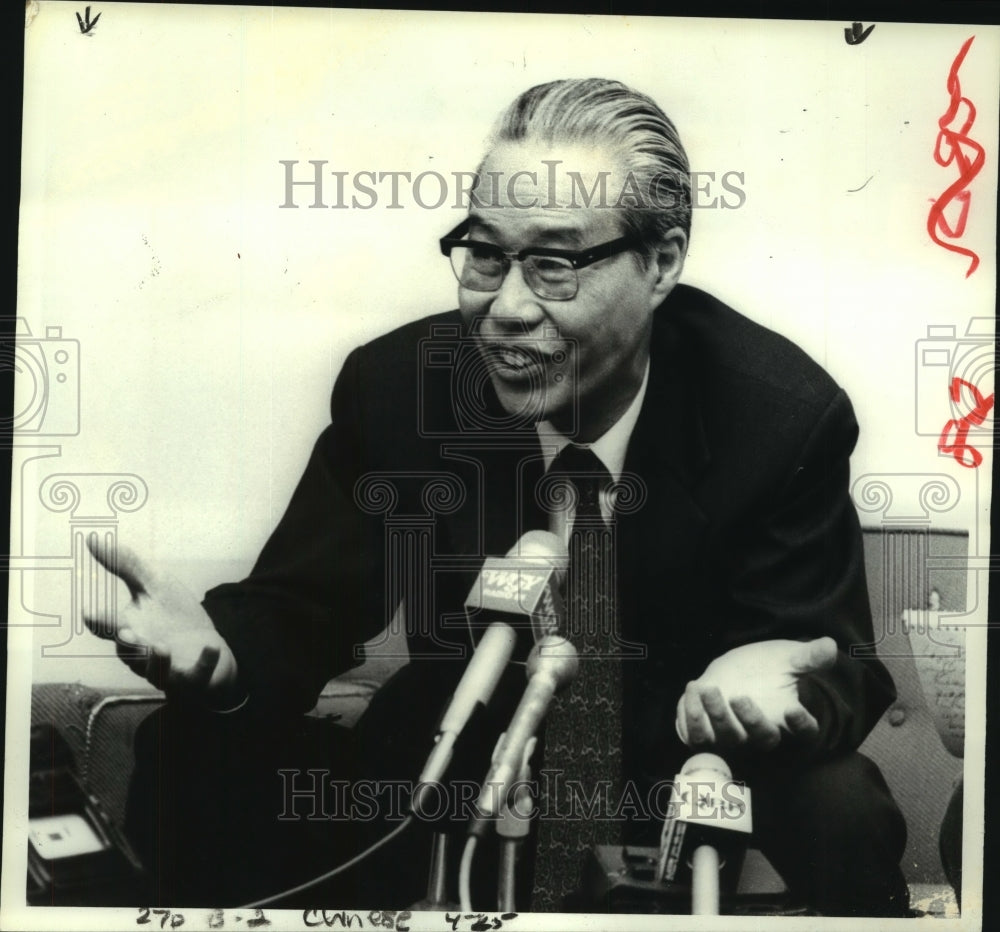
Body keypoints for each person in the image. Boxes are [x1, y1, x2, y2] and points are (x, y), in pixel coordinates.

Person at [83, 77, 909, 916]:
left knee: (840, 800)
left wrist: (780, 694)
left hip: (676, 783)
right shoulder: (401, 388)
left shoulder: (777, 418)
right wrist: (224, 661)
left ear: (661, 262)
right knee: (190, 749)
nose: (506, 308)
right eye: (485, 255)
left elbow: (836, 661)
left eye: (555, 264)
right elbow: (303, 607)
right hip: (457, 762)